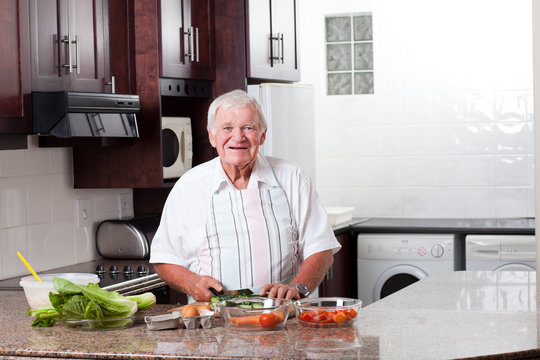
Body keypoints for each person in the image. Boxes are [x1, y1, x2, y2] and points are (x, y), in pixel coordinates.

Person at [149, 89, 340, 301]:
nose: (238, 137)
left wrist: (298, 287)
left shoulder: (291, 177)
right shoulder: (189, 187)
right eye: (227, 128)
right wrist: (191, 282)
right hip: (214, 320)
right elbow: (164, 258)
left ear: (262, 135)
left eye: (248, 128)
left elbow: (321, 249)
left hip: (281, 316)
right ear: (212, 136)